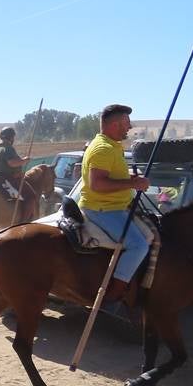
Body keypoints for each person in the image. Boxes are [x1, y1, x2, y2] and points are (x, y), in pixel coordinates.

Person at [78, 104, 151, 303]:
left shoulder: (111, 145)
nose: (130, 127)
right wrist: (132, 183)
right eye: (127, 123)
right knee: (138, 246)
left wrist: (129, 177)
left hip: (115, 206)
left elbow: (110, 174)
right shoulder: (103, 149)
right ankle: (113, 295)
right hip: (104, 209)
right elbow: (97, 184)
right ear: (115, 124)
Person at [0, 127, 31, 201]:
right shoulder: (8, 148)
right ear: (11, 137)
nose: (13, 139)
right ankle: (25, 213)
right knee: (30, 196)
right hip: (8, 180)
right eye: (13, 137)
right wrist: (24, 160)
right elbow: (12, 163)